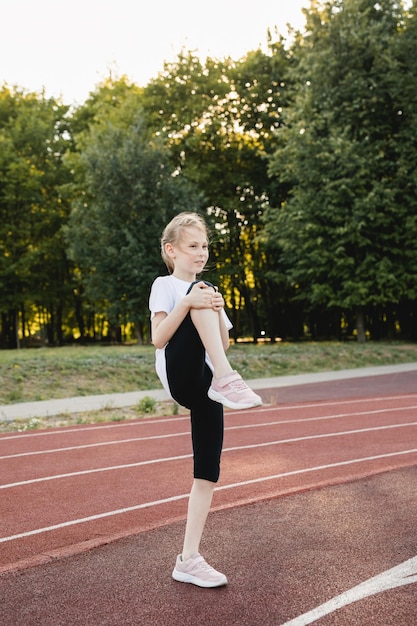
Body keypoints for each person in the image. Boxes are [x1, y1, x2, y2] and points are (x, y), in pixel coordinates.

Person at [149, 211, 262, 588]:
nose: (202, 253)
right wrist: (189, 302)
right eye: (193, 246)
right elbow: (159, 338)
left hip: (208, 382)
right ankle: (229, 381)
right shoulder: (164, 285)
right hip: (182, 376)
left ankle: (189, 559)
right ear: (172, 250)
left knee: (207, 472)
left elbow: (224, 343)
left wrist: (215, 307)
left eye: (205, 246)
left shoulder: (208, 290)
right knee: (198, 292)